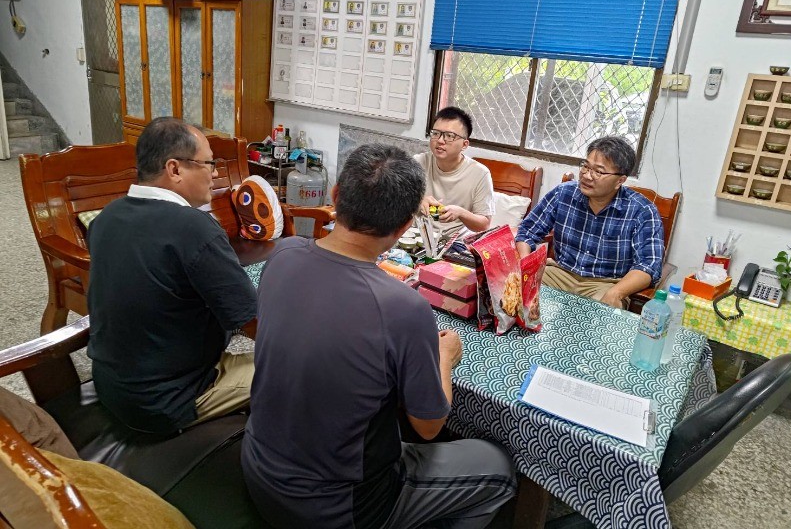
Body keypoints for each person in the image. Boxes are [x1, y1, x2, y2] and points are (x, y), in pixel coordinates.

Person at [243, 144, 516, 529]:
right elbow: (428, 426)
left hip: (258, 467)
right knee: (497, 467)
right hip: (336, 506)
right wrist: (444, 355)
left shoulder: (282, 255)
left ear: (336, 195)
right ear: (405, 226)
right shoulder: (403, 307)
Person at [87, 117, 257, 434]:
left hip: (112, 386)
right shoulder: (194, 228)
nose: (216, 172)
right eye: (209, 163)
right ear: (175, 169)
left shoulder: (106, 218)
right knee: (295, 369)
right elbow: (253, 322)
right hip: (169, 400)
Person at [515, 136, 664, 309]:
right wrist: (526, 266)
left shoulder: (642, 210)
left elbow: (649, 265)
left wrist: (616, 292)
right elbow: (527, 231)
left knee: (603, 312)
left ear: (620, 180)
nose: (586, 175)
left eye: (598, 171)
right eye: (585, 166)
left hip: (605, 283)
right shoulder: (564, 193)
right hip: (560, 273)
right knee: (515, 293)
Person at [414, 107, 495, 237]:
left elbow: (484, 224)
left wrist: (461, 213)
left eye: (449, 136)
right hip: (417, 237)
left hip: (455, 243)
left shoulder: (480, 174)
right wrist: (419, 202)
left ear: (464, 144)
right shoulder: (418, 162)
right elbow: (394, 199)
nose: (440, 140)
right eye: (436, 133)